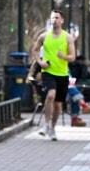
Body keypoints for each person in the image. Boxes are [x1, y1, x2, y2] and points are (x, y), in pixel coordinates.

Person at [32, 10, 76, 140]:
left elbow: (73, 57)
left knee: (58, 104)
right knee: (50, 95)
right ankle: (45, 125)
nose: (54, 20)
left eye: (57, 18)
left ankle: (53, 128)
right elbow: (34, 50)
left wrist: (64, 56)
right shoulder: (44, 36)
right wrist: (40, 62)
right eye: (52, 18)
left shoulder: (67, 37)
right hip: (48, 72)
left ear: (62, 20)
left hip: (62, 74)